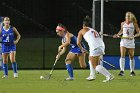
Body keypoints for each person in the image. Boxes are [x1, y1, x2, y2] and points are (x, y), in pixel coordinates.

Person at [77, 16, 114, 82]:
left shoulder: (81, 30)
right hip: (101, 45)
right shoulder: (93, 30)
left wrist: (82, 49)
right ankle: (92, 75)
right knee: (90, 60)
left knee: (95, 65)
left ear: (83, 25)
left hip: (94, 47)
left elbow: (78, 42)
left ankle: (109, 75)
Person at [113, 11, 140, 76]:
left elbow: (139, 33)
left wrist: (133, 36)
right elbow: (121, 31)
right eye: (126, 17)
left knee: (131, 56)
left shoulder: (134, 24)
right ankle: (122, 71)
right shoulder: (122, 23)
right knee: (122, 55)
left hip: (131, 42)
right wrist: (117, 35)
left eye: (128, 17)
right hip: (123, 41)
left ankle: (132, 71)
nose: (127, 19)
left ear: (130, 18)